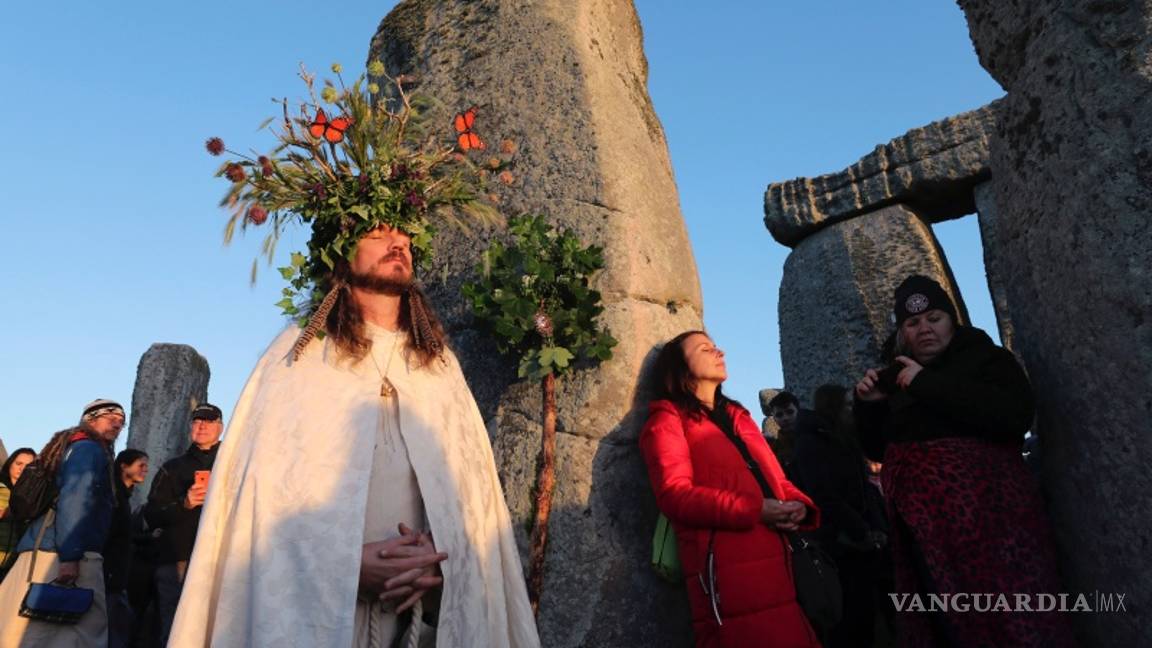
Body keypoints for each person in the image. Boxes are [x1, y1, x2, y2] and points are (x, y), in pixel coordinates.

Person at [169, 224, 539, 647]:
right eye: (379, 233)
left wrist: (440, 560)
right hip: (320, 616)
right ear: (342, 253)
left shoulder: (438, 367)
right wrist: (347, 565)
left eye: (405, 237)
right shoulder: (299, 356)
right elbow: (261, 502)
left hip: (420, 618)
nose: (398, 243)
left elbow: (474, 503)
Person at [854, 275, 1073, 647]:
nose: (925, 329)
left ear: (951, 320)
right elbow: (878, 450)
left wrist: (925, 383)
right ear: (902, 332)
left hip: (996, 526)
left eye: (934, 318)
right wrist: (869, 407)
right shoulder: (894, 379)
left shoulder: (987, 360)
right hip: (926, 538)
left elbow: (1012, 416)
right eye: (913, 323)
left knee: (1020, 617)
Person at [641, 330, 822, 647]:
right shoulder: (667, 421)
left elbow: (776, 479)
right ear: (680, 367)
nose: (718, 351)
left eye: (715, 345)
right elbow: (675, 495)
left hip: (781, 563)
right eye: (704, 348)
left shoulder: (739, 416)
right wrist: (755, 509)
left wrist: (799, 505)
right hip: (727, 575)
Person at [0, 399, 124, 647]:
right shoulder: (88, 449)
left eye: (121, 421)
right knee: (79, 632)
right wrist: (70, 557)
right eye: (109, 416)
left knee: (24, 629)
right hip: (63, 553)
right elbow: (76, 499)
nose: (117, 423)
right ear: (90, 419)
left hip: (46, 547)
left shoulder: (72, 446)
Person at [790, 385, 884, 648]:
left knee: (865, 614)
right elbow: (824, 494)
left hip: (857, 535)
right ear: (832, 408)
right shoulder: (812, 442)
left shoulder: (840, 436)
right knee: (848, 618)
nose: (849, 412)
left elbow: (863, 487)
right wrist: (860, 531)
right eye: (845, 406)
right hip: (837, 541)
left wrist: (876, 526)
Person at [143, 403, 222, 647]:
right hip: (178, 557)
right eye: (197, 421)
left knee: (220, 625)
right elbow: (151, 513)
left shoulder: (235, 463)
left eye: (209, 421)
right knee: (175, 626)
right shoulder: (172, 467)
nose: (202, 426)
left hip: (222, 556)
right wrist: (184, 504)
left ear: (220, 426)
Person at [104, 449, 148, 648]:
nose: (145, 470)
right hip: (111, 575)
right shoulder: (114, 498)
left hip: (118, 575)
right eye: (141, 465)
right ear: (124, 466)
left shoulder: (124, 498)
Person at [0, 448, 36, 580]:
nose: (21, 469)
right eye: (18, 464)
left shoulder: (36, 498)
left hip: (16, 568)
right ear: (10, 464)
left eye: (28, 466)